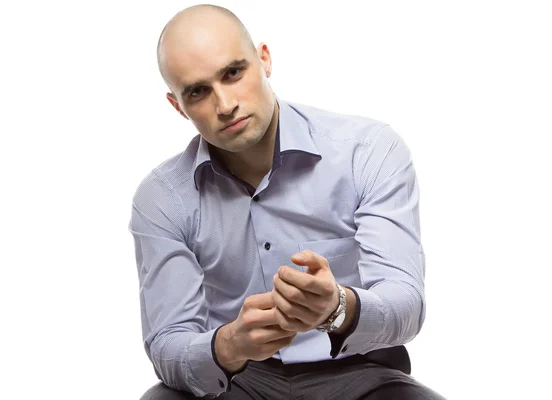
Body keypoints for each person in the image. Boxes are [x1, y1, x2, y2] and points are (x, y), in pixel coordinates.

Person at [129, 4, 445, 399]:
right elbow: (167, 342)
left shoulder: (366, 151)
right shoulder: (163, 198)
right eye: (198, 92)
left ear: (264, 59)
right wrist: (228, 345)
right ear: (178, 106)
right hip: (236, 380)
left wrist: (338, 307)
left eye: (233, 73)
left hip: (360, 373)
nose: (225, 105)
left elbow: (407, 302)